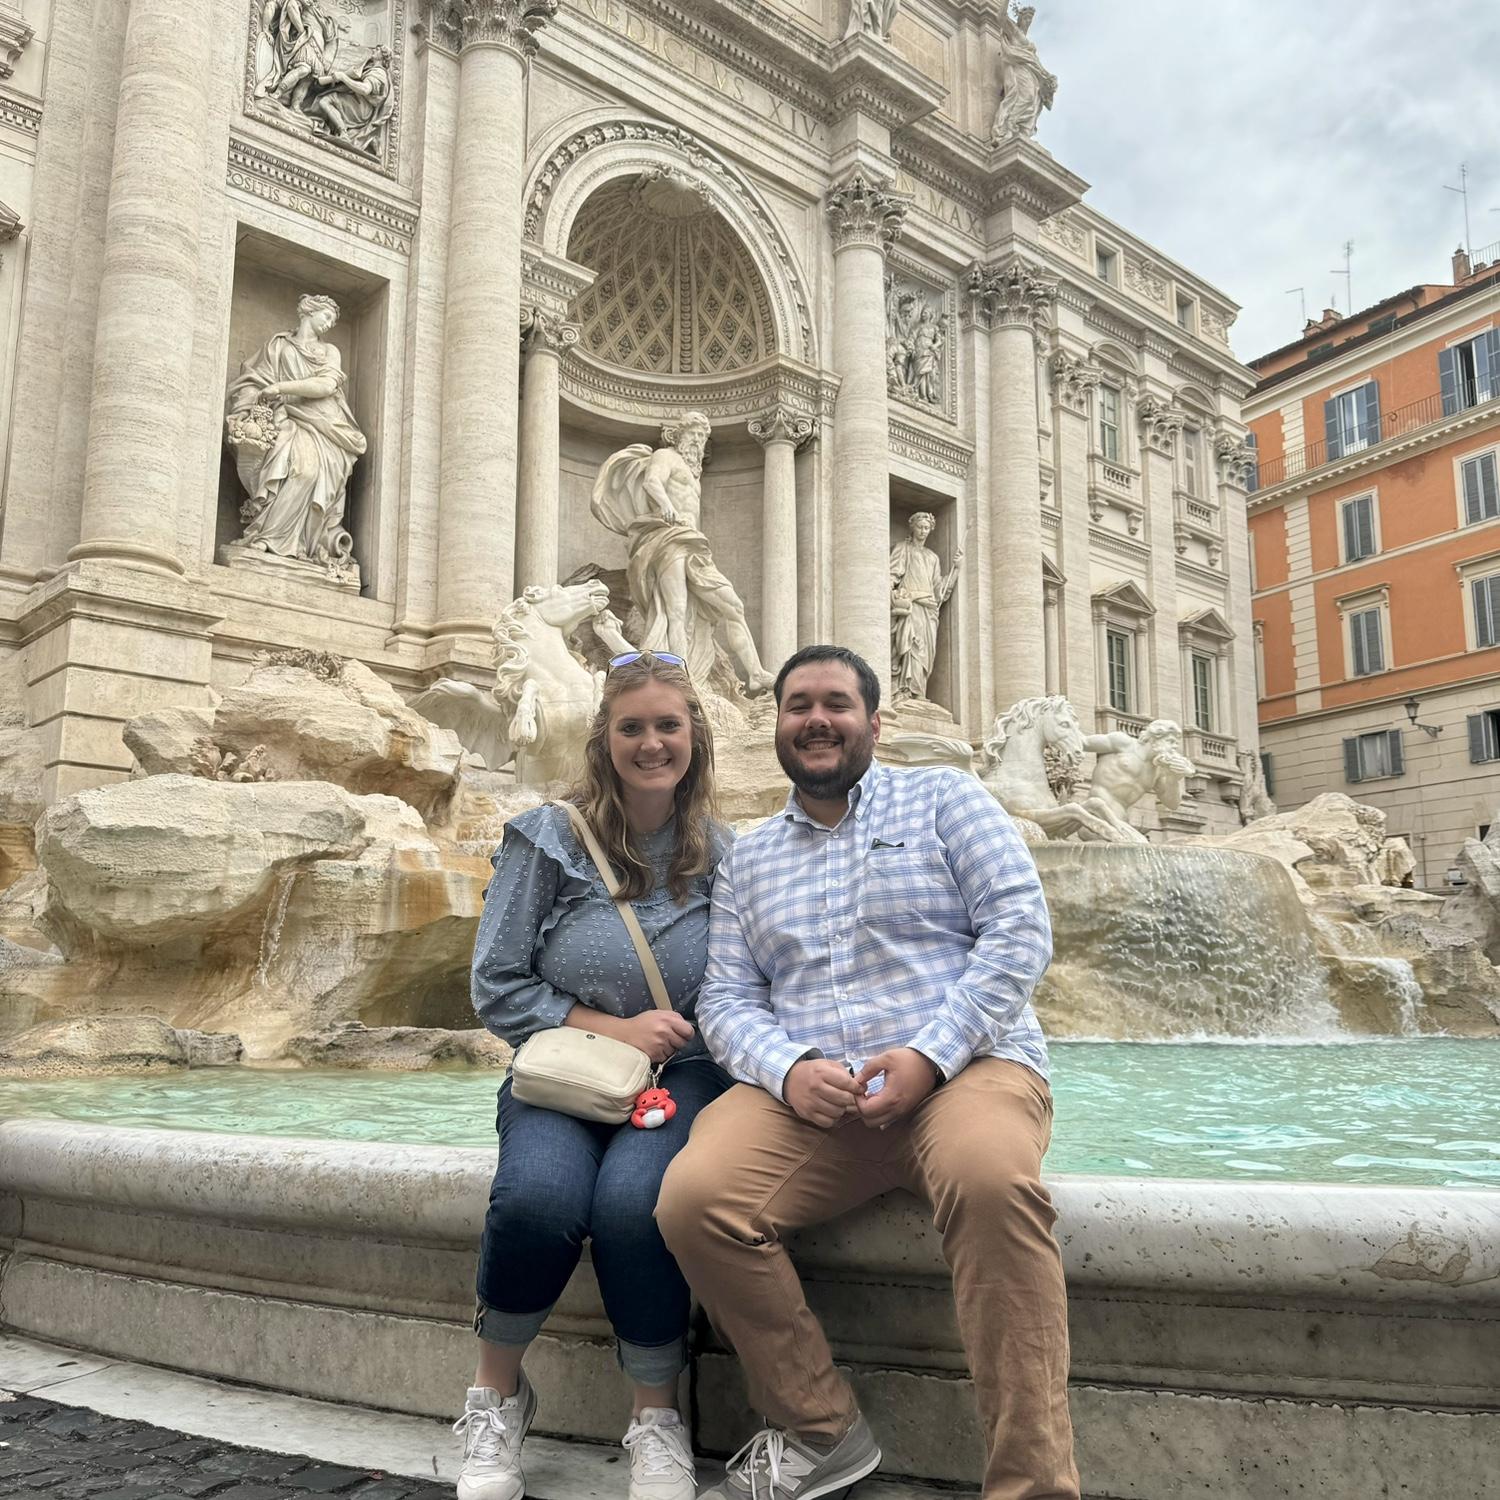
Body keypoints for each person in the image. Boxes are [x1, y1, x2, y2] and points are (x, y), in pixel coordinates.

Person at [657, 644, 1079, 1500]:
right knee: (694, 1201)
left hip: (969, 1070)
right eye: (798, 705)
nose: (817, 720)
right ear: (776, 725)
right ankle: (822, 1431)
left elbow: (1019, 931)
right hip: (815, 1098)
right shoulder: (749, 856)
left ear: (873, 723)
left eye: (836, 705)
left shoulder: (946, 797)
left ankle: (1032, 1487)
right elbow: (729, 1000)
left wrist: (931, 1054)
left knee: (994, 1186)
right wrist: (789, 1068)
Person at [458, 653, 732, 1500]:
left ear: (695, 738)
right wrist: (616, 1027)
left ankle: (656, 1417)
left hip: (679, 1078)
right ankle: (496, 1396)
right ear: (604, 740)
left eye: (668, 726)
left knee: (634, 1206)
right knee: (539, 1198)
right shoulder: (547, 835)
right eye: (633, 728)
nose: (652, 743)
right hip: (567, 1073)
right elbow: (494, 984)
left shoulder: (726, 852)